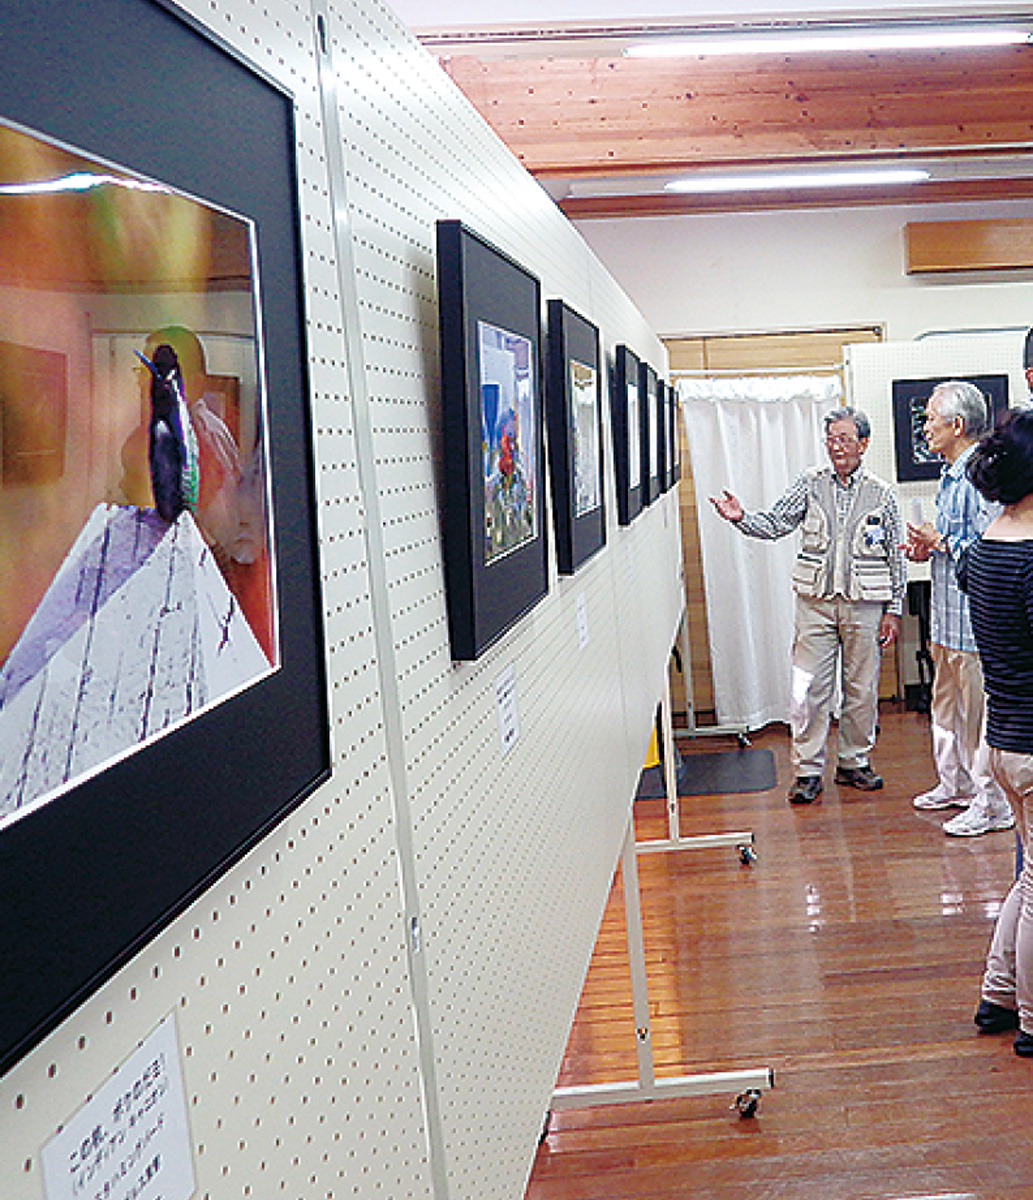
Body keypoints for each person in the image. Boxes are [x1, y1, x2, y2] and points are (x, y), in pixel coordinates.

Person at [711, 407, 906, 805]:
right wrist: (741, 518)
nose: (836, 446)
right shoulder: (810, 483)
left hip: (865, 605)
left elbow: (895, 556)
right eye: (831, 438)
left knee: (862, 689)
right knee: (807, 690)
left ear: (863, 444)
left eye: (845, 439)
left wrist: (894, 608)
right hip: (814, 606)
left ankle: (854, 761)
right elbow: (776, 523)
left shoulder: (882, 494)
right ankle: (807, 770)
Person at [903, 381, 1014, 837]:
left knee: (976, 716)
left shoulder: (979, 476)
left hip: (973, 622)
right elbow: (951, 547)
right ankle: (954, 784)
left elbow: (990, 548)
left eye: (931, 418)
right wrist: (926, 550)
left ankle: (992, 805)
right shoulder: (949, 474)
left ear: (958, 425)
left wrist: (941, 541)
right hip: (945, 619)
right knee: (945, 709)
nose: (925, 426)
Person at [960, 406, 1033, 1056]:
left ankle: (996, 995)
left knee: (1029, 875)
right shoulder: (1032, 557)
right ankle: (1031, 1023)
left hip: (1005, 736)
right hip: (1032, 739)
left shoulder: (987, 546)